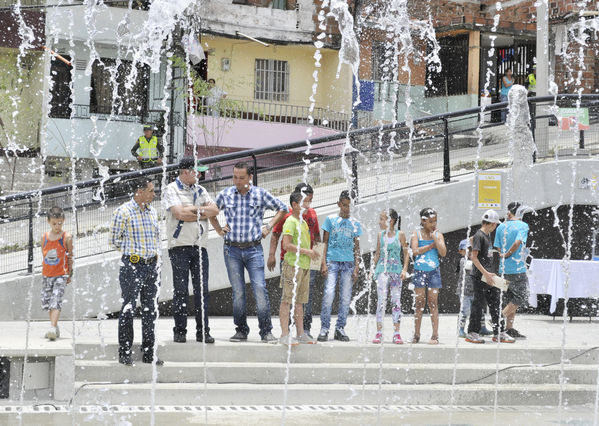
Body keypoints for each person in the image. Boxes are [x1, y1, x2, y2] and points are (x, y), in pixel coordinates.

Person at [213, 162, 288, 343]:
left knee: (260, 288)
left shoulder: (260, 194)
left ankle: (266, 331)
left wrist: (268, 227)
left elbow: (283, 208)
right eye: (235, 177)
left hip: (254, 249)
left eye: (241, 178)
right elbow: (211, 212)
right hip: (232, 250)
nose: (237, 181)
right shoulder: (226, 194)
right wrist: (218, 230)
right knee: (238, 292)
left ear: (250, 177)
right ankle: (241, 330)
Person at [162, 156, 220, 344]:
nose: (200, 174)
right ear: (186, 172)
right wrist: (201, 210)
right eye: (196, 171)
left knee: (202, 290)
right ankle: (180, 331)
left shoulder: (201, 189)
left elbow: (215, 211)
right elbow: (179, 214)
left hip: (200, 247)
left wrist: (192, 210)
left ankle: (203, 331)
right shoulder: (171, 189)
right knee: (180, 290)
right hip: (179, 247)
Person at [110, 177, 163, 366]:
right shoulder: (123, 212)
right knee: (128, 308)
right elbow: (114, 240)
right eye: (150, 190)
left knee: (150, 310)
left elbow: (156, 239)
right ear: (139, 192)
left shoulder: (152, 212)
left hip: (151, 266)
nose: (154, 194)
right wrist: (133, 254)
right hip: (132, 266)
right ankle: (125, 351)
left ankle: (149, 351)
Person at [268, 183, 321, 339]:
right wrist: (272, 254)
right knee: (287, 299)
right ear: (296, 202)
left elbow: (316, 238)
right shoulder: (289, 218)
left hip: (306, 264)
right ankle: (285, 333)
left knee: (302, 300)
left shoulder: (308, 218)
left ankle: (302, 332)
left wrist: (318, 261)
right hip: (291, 263)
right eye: (306, 200)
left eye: (310, 200)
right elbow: (281, 239)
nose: (308, 204)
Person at [317, 190, 362, 343]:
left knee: (345, 297)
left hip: (348, 263)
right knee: (329, 293)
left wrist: (357, 267)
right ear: (338, 204)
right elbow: (324, 242)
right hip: (332, 262)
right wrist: (323, 263)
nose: (346, 209)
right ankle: (324, 328)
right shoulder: (330, 220)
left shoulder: (355, 223)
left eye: (349, 206)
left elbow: (357, 247)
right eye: (344, 205)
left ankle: (340, 328)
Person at [466, 210, 515, 344]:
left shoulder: (484, 236)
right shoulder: (480, 235)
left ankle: (499, 332)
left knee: (496, 303)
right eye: (495, 225)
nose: (495, 228)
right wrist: (486, 273)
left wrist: (490, 274)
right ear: (492, 224)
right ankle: (472, 332)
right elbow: (473, 258)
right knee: (478, 304)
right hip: (480, 277)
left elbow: (472, 242)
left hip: (488, 277)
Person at [371, 209, 409, 345]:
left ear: (390, 221)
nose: (380, 222)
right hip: (382, 270)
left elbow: (406, 253)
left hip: (396, 272)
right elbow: (377, 253)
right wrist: (372, 269)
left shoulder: (401, 235)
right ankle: (379, 332)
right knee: (381, 301)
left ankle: (396, 333)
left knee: (396, 301)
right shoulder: (380, 235)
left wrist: (404, 269)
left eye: (382, 219)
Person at [494, 201, 531, 339]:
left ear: (509, 212)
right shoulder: (523, 226)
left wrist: (503, 254)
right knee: (522, 296)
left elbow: (497, 246)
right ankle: (498, 318)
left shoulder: (500, 227)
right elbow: (517, 242)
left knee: (511, 298)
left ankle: (509, 328)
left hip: (503, 268)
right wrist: (509, 254)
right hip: (517, 268)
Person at [410, 207, 447, 345]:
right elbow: (415, 251)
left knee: (433, 303)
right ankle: (417, 334)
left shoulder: (438, 235)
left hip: (434, 272)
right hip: (419, 271)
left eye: (435, 221)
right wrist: (431, 245)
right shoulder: (416, 234)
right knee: (419, 303)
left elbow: (443, 252)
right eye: (431, 221)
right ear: (423, 221)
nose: (434, 224)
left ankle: (435, 335)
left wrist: (435, 240)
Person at [40, 206, 73, 341]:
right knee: (48, 302)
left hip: (61, 274)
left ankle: (52, 328)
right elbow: (43, 254)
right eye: (54, 223)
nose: (57, 226)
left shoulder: (67, 237)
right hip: (47, 274)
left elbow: (70, 256)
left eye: (60, 223)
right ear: (48, 222)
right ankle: (55, 326)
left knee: (56, 300)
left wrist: (70, 274)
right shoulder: (45, 237)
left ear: (63, 220)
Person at [455, 239, 492, 338]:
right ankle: (460, 329)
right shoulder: (463, 261)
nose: (469, 252)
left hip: (476, 290)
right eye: (466, 249)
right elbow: (473, 267)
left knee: (480, 310)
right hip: (465, 292)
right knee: (465, 310)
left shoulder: (476, 261)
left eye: (471, 249)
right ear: (461, 251)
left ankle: (482, 328)